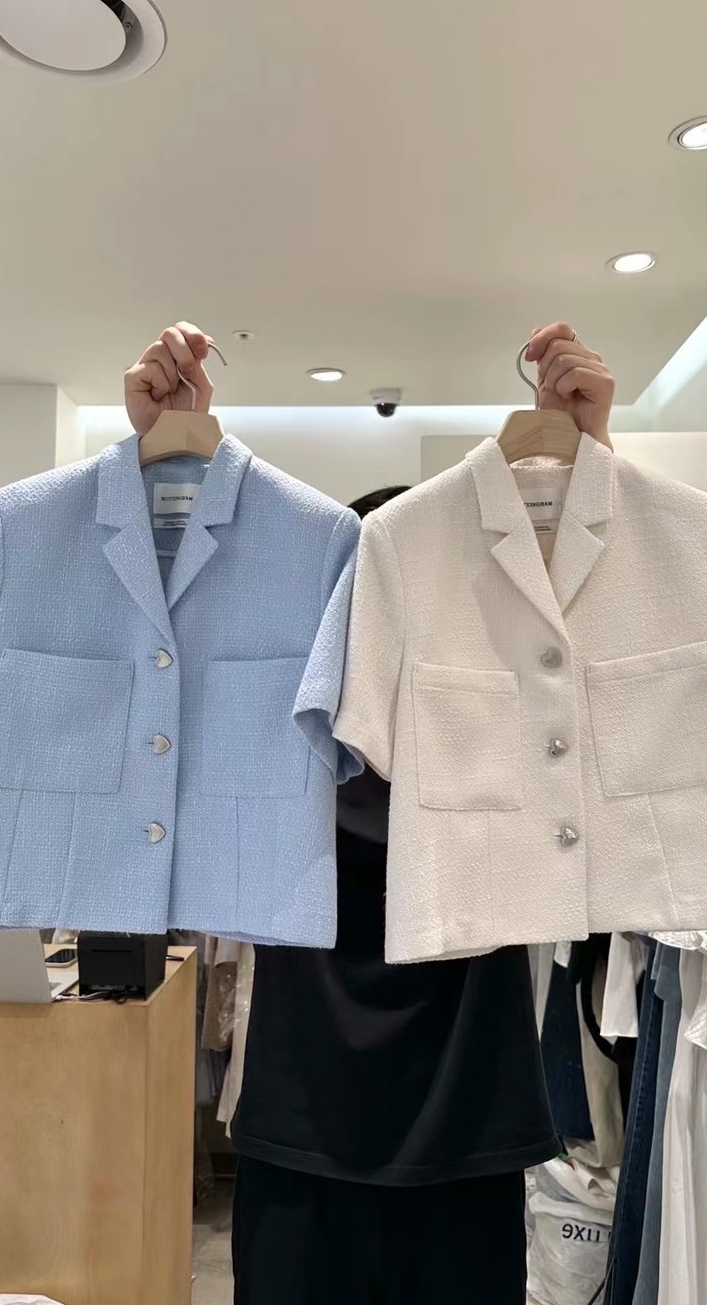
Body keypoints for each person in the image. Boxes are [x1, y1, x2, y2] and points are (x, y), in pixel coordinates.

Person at [124, 322, 616, 1305]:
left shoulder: (519, 724)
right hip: (307, 1132)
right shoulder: (273, 723)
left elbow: (594, 666)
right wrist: (166, 465)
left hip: (466, 1135)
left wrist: (582, 464)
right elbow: (162, 647)